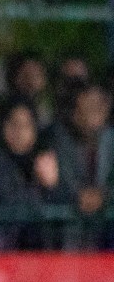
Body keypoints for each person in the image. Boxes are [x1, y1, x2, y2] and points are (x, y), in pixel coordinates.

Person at [0, 98, 68, 251]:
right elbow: (9, 201)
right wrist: (44, 188)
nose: (19, 131)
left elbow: (63, 206)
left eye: (26, 125)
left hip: (41, 258)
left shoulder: (42, 159)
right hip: (0, 256)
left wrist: (52, 186)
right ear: (2, 126)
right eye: (13, 124)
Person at [42, 80, 112, 250]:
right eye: (86, 105)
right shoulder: (56, 138)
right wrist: (78, 196)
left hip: (105, 238)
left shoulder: (110, 140)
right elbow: (50, 186)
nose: (93, 111)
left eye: (98, 105)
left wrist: (102, 197)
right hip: (65, 239)